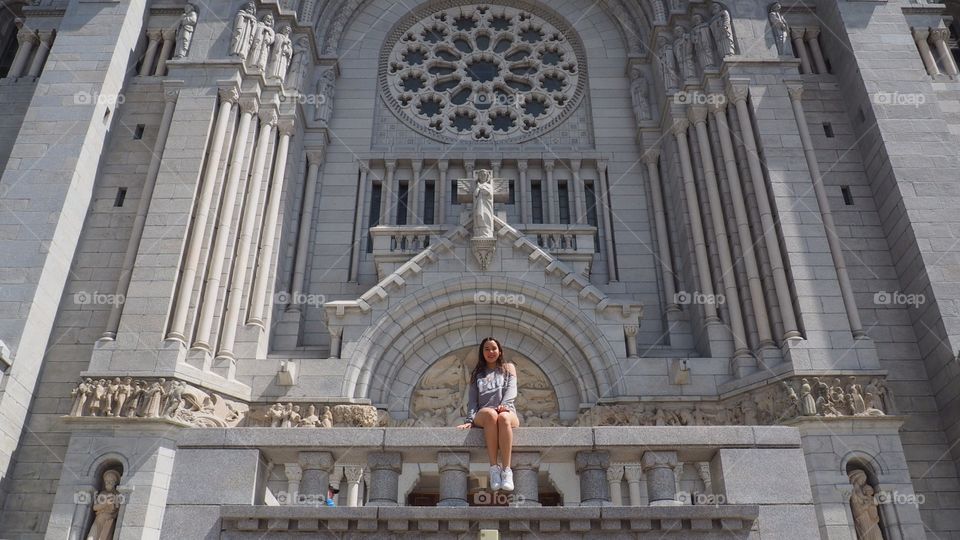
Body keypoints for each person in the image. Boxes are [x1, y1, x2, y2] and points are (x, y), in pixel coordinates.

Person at [457, 337, 520, 491]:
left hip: (507, 410)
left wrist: (504, 405)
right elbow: (472, 400)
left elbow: (512, 390)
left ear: (500, 351)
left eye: (493, 348)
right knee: (492, 414)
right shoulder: (477, 374)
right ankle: (494, 468)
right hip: (484, 414)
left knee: (503, 417)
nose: (490, 352)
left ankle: (506, 471)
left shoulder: (508, 368)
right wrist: (470, 420)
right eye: (486, 349)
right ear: (482, 352)